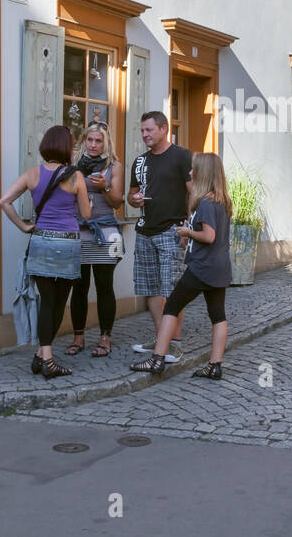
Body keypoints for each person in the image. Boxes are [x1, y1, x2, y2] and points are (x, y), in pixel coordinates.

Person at [0, 125, 91, 378]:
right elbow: (86, 214)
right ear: (66, 148)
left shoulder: (32, 174)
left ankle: (41, 354)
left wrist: (24, 226)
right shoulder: (75, 177)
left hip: (40, 241)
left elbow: (3, 201)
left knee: (45, 301)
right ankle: (49, 360)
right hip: (67, 243)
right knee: (58, 303)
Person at [132, 152, 233, 379]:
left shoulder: (206, 202)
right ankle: (215, 365)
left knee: (171, 307)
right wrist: (191, 232)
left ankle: (157, 360)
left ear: (203, 173)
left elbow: (208, 236)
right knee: (218, 316)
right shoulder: (222, 201)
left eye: (193, 168)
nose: (190, 172)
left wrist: (187, 232)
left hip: (202, 268)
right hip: (220, 268)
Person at [128, 111, 194, 363]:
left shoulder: (181, 156)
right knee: (151, 289)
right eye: (142, 130)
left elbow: (193, 193)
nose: (144, 135)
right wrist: (132, 200)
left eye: (149, 130)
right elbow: (131, 196)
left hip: (172, 230)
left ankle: (174, 343)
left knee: (173, 289)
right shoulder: (140, 162)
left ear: (163, 129)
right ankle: (161, 339)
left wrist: (188, 227)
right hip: (145, 231)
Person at [65, 122, 124, 358]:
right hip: (79, 230)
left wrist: (106, 187)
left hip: (105, 231)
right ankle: (78, 338)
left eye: (98, 141)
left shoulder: (114, 166)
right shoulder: (74, 164)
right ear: (84, 140)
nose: (93, 145)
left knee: (104, 286)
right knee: (79, 287)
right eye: (89, 140)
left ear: (106, 142)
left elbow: (118, 202)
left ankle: (104, 338)